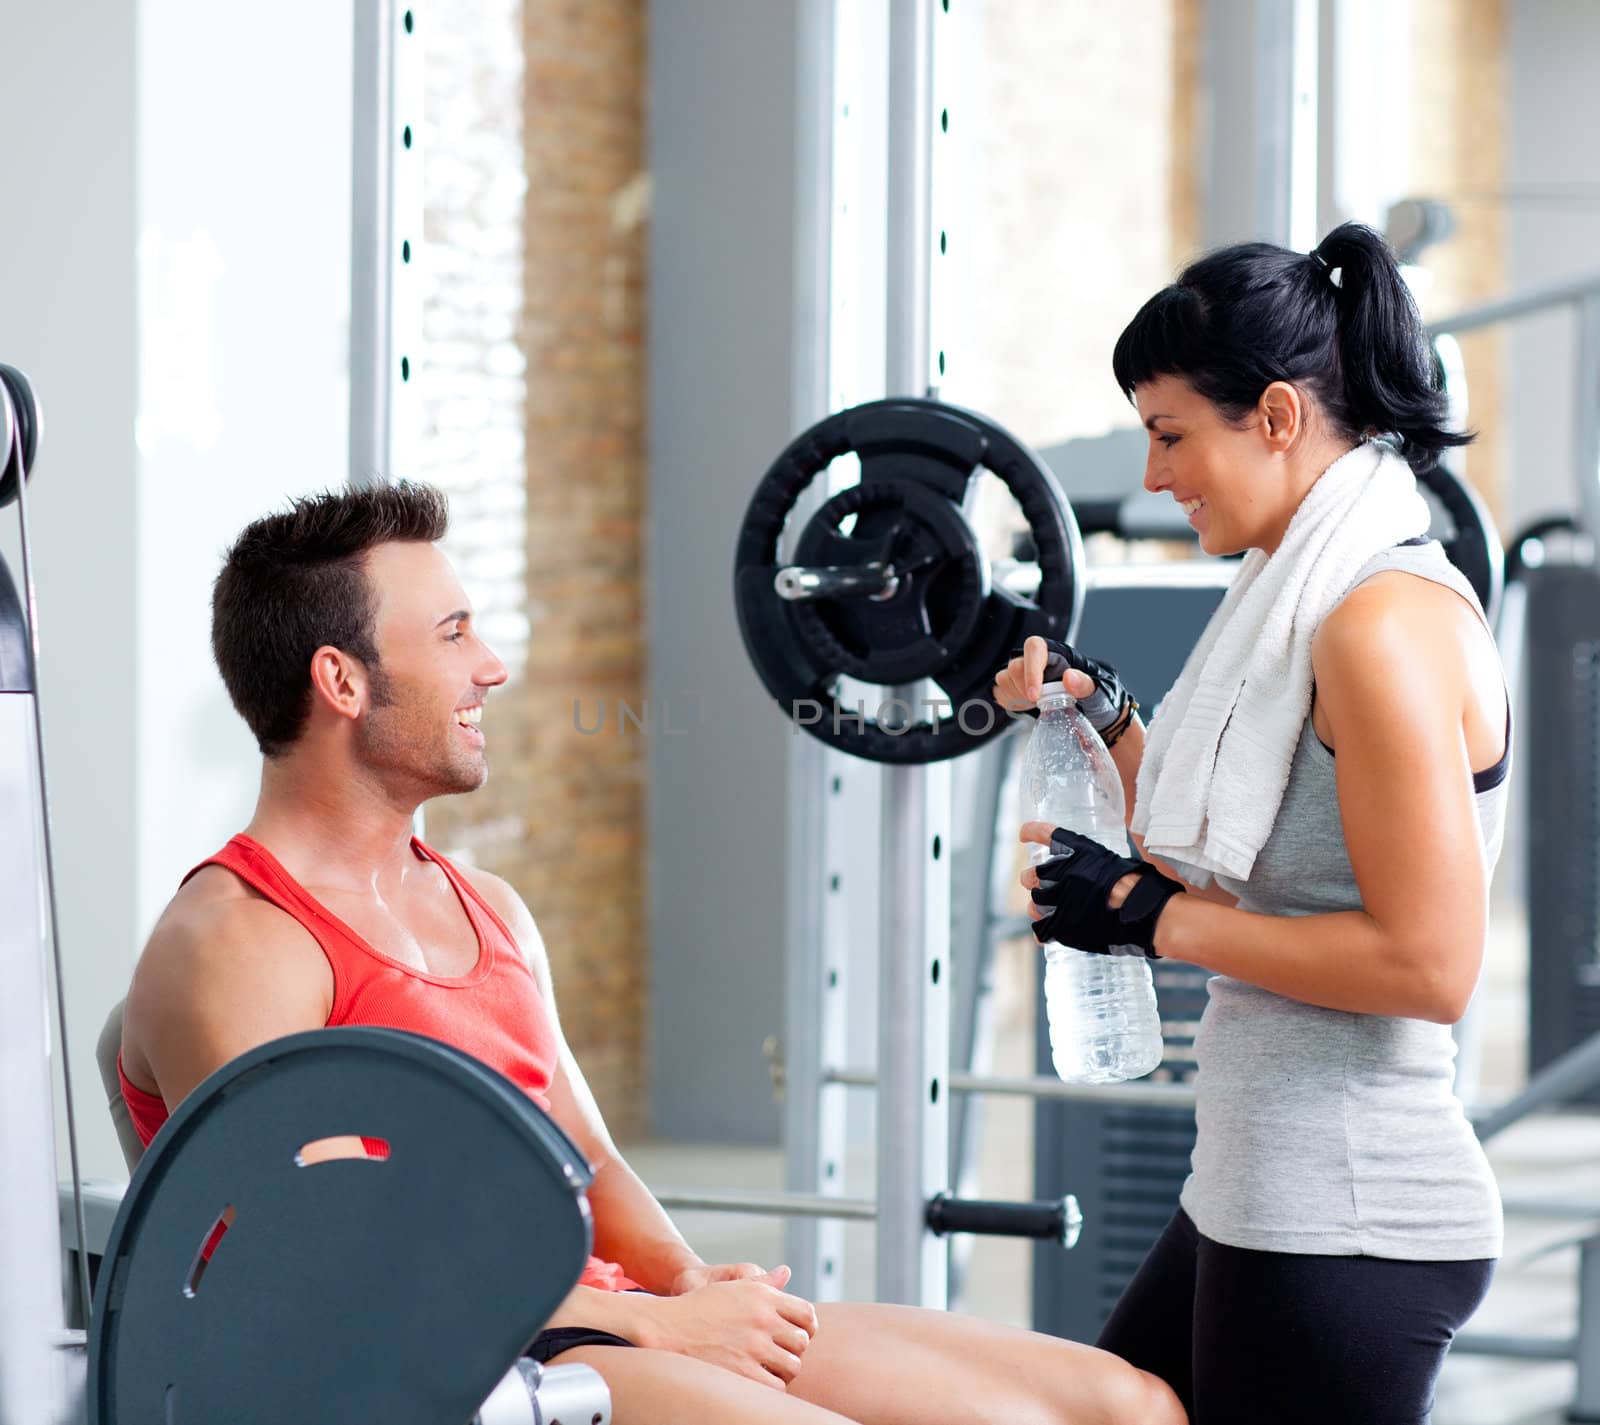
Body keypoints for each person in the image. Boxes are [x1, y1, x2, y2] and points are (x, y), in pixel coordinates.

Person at [118, 482, 1184, 1425]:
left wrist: (684, 1284)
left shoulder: (484, 907)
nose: (492, 667)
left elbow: (586, 1161)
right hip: (450, 1361)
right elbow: (341, 1260)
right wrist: (662, 1333)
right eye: (451, 636)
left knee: (1120, 1404)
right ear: (341, 682)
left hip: (587, 1321)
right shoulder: (240, 942)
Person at [993, 222, 1506, 1425]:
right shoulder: (1302, 593)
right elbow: (1265, 857)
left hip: (1346, 1216)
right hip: (1258, 1184)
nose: (1158, 475)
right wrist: (1105, 717)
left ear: (1276, 417)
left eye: (1171, 435)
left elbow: (1429, 966)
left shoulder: (1374, 625)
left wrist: (1148, 921)